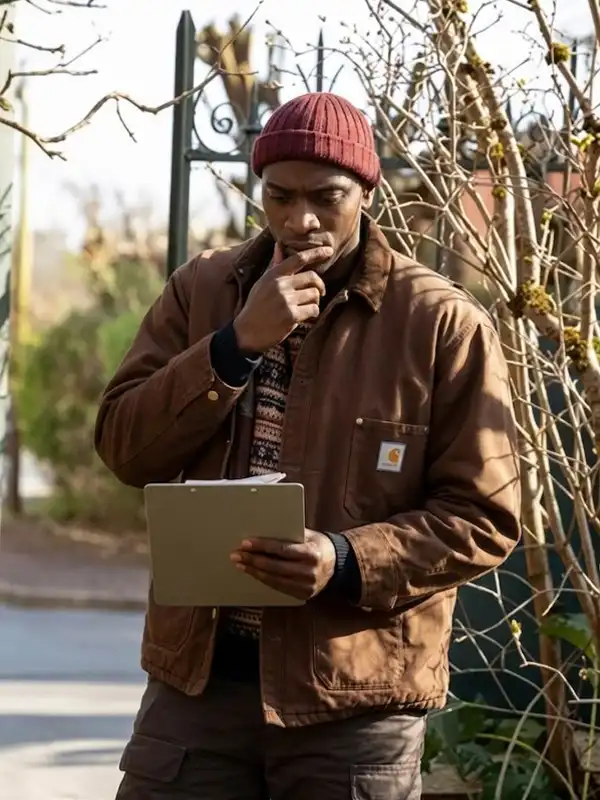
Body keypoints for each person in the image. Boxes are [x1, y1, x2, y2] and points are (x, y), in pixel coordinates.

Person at [95, 91, 521, 800]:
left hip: (355, 700)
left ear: (366, 190)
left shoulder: (442, 325)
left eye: (326, 196)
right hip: (196, 687)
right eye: (280, 196)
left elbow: (486, 516)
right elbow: (124, 448)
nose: (301, 220)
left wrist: (345, 558)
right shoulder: (203, 290)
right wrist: (233, 348)